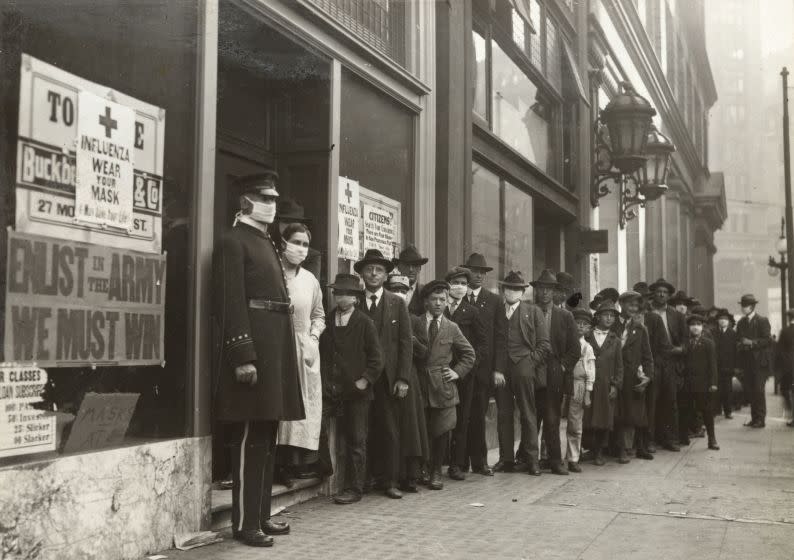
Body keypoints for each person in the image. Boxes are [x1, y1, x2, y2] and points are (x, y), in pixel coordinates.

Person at [213, 172, 302, 547]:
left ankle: (262, 516)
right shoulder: (234, 242)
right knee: (252, 436)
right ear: (245, 201)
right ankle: (245, 523)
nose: (271, 205)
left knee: (267, 434)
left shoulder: (263, 242)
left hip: (275, 348)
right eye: (264, 198)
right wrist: (242, 354)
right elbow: (231, 301)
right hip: (255, 352)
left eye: (274, 199)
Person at [321, 274, 384, 505]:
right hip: (332, 389)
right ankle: (323, 468)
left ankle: (354, 488)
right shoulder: (328, 320)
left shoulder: (364, 322)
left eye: (344, 293)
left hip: (357, 392)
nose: (339, 297)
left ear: (355, 298)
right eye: (336, 292)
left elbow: (377, 359)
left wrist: (365, 380)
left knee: (356, 439)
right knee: (316, 423)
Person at [355, 249, 413, 499]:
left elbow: (405, 344)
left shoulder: (397, 303)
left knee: (389, 429)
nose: (374, 273)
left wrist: (403, 378)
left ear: (386, 274)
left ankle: (389, 481)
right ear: (362, 274)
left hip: (389, 379)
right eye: (369, 269)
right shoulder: (355, 301)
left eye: (379, 269)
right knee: (362, 429)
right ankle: (364, 480)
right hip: (362, 378)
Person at [275, 223, 326, 486]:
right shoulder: (274, 274)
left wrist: (314, 337)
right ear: (283, 243)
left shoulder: (310, 280)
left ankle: (296, 464)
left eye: (305, 244)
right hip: (278, 346)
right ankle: (277, 465)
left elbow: (319, 315)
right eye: (296, 242)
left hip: (305, 348)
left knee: (303, 406)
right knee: (280, 402)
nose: (301, 249)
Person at [413, 280, 476, 490]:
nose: (438, 303)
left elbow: (469, 354)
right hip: (420, 384)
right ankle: (422, 469)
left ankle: (436, 472)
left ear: (447, 302)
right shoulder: (416, 323)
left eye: (442, 299)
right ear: (425, 302)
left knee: (441, 431)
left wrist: (456, 372)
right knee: (422, 429)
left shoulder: (451, 327)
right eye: (434, 299)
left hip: (443, 387)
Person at [492, 271, 551, 475]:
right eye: (508, 288)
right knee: (503, 414)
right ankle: (506, 459)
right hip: (501, 370)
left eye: (517, 289)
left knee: (528, 413)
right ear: (503, 290)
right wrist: (497, 369)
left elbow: (544, 344)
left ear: (523, 292)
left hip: (524, 366)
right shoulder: (497, 310)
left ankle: (532, 460)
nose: (512, 292)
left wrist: (529, 362)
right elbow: (495, 342)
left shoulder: (532, 311)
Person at [384, 271, 430, 493]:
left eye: (403, 291)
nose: (399, 295)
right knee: (391, 428)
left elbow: (424, 353)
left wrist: (412, 342)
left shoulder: (415, 320)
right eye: (395, 290)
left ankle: (411, 474)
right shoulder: (383, 314)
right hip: (387, 376)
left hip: (408, 377)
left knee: (410, 428)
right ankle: (390, 475)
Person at [531, 270, 580, 476]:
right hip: (533, 369)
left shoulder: (565, 316)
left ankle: (555, 461)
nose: (544, 293)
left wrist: (562, 367)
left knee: (552, 418)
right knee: (531, 417)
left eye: (548, 289)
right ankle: (530, 460)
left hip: (554, 371)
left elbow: (575, 349)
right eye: (541, 288)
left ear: (554, 292)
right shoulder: (528, 311)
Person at [461, 253, 505, 476]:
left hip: (483, 368)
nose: (477, 276)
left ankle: (480, 462)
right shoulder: (457, 296)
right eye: (473, 271)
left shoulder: (494, 300)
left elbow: (500, 336)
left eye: (481, 272)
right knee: (461, 414)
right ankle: (460, 462)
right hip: (459, 367)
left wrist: (497, 368)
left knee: (478, 414)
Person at [444, 267, 488, 481]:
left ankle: (457, 464)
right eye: (455, 282)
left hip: (464, 374)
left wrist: (468, 367)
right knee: (440, 418)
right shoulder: (440, 307)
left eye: (463, 283)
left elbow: (481, 344)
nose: (459, 286)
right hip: (441, 372)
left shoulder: (472, 312)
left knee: (462, 419)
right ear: (448, 284)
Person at [614, 291, 655, 463]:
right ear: (621, 305)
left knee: (634, 413)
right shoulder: (612, 324)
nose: (633, 308)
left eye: (636, 306)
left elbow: (647, 356)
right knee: (616, 412)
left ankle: (634, 448)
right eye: (629, 304)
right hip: (614, 374)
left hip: (632, 376)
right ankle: (617, 449)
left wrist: (647, 377)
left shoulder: (640, 329)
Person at [648, 277, 687, 451]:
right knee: (652, 401)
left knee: (670, 401)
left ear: (669, 295)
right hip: (653, 360)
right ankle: (649, 440)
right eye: (658, 292)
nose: (662, 295)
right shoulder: (647, 313)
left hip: (670, 361)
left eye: (665, 292)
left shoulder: (676, 315)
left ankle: (670, 439)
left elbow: (685, 342)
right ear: (654, 294)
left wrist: (679, 350)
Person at [583, 301, 623, 466]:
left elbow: (619, 366)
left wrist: (615, 385)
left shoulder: (615, 340)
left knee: (603, 419)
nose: (609, 318)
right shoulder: (587, 336)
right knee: (587, 417)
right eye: (605, 315)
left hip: (606, 385)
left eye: (612, 316)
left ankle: (599, 451)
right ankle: (588, 449)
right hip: (588, 383)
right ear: (597, 317)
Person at [682, 314, 720, 450]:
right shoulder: (685, 343)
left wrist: (713, 383)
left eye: (698, 325)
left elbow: (713, 365)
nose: (695, 327)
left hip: (703, 384)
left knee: (707, 412)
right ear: (689, 327)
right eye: (692, 325)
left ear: (702, 327)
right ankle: (684, 436)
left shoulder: (708, 343)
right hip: (687, 383)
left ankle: (712, 438)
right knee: (686, 410)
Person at [565, 308, 596, 473]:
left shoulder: (587, 348)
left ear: (589, 329)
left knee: (575, 424)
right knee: (553, 420)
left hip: (578, 385)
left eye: (585, 325)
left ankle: (573, 458)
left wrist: (588, 393)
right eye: (577, 324)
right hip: (563, 384)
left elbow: (590, 372)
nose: (580, 327)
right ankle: (548, 456)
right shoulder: (565, 342)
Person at [735, 294, 772, 428]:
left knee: (758, 390)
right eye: (742, 305)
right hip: (747, 361)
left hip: (759, 362)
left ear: (752, 306)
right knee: (751, 390)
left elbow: (768, 340)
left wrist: (752, 343)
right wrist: (740, 344)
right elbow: (738, 338)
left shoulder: (762, 320)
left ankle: (760, 419)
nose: (743, 308)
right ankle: (754, 418)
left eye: (745, 306)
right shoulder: (741, 323)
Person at [273, 197, 322, 281]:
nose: (289, 226)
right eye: (285, 222)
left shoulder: (312, 256)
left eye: (294, 222)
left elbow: (310, 286)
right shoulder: (271, 248)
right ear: (279, 224)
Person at [714, 308, 739, 419]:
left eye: (725, 319)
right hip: (716, 366)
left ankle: (728, 411)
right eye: (720, 319)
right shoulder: (713, 332)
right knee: (716, 389)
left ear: (729, 321)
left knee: (727, 389)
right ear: (717, 320)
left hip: (728, 366)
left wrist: (735, 366)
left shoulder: (733, 334)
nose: (723, 321)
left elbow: (736, 352)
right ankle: (717, 410)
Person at [393, 244, 429, 316]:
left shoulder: (425, 292)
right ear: (399, 267)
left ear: (419, 269)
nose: (411, 269)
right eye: (406, 265)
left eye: (415, 265)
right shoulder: (390, 290)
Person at [777, 309, 794, 423]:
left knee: (785, 390)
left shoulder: (785, 331)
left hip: (789, 367)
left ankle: (790, 413)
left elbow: (780, 351)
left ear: (789, 318)